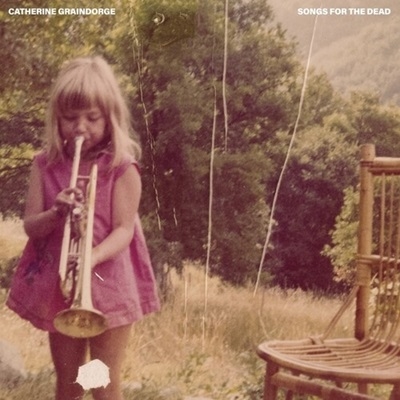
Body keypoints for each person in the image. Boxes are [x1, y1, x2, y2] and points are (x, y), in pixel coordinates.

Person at [6, 55, 160, 400]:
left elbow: (124, 230)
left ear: (110, 117)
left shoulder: (122, 166)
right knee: (70, 382)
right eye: (70, 118)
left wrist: (92, 257)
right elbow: (31, 227)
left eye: (92, 118)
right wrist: (55, 212)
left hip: (111, 285)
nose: (80, 127)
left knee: (102, 381)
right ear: (56, 118)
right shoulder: (44, 165)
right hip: (61, 290)